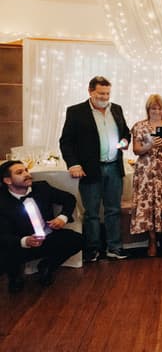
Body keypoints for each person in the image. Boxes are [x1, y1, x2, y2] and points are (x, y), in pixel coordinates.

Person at [59, 75, 130, 262]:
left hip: (114, 167)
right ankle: (92, 249)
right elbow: (66, 142)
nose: (105, 97)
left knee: (113, 210)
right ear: (90, 91)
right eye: (101, 93)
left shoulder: (117, 109)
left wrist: (124, 142)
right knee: (91, 212)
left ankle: (114, 247)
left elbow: (125, 132)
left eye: (107, 93)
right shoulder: (76, 112)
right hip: (90, 169)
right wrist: (73, 163)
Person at [0, 160, 82, 293]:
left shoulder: (42, 187)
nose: (27, 174)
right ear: (8, 181)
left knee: (77, 240)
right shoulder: (2, 200)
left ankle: (47, 266)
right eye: (20, 172)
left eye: (26, 170)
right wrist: (24, 241)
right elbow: (3, 234)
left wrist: (62, 217)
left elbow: (69, 198)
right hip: (19, 244)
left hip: (47, 237)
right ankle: (14, 276)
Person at [130, 94, 162, 257]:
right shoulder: (139, 126)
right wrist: (149, 145)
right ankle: (152, 241)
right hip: (146, 172)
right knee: (149, 204)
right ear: (148, 109)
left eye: (159, 108)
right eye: (153, 108)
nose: (156, 111)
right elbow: (136, 150)